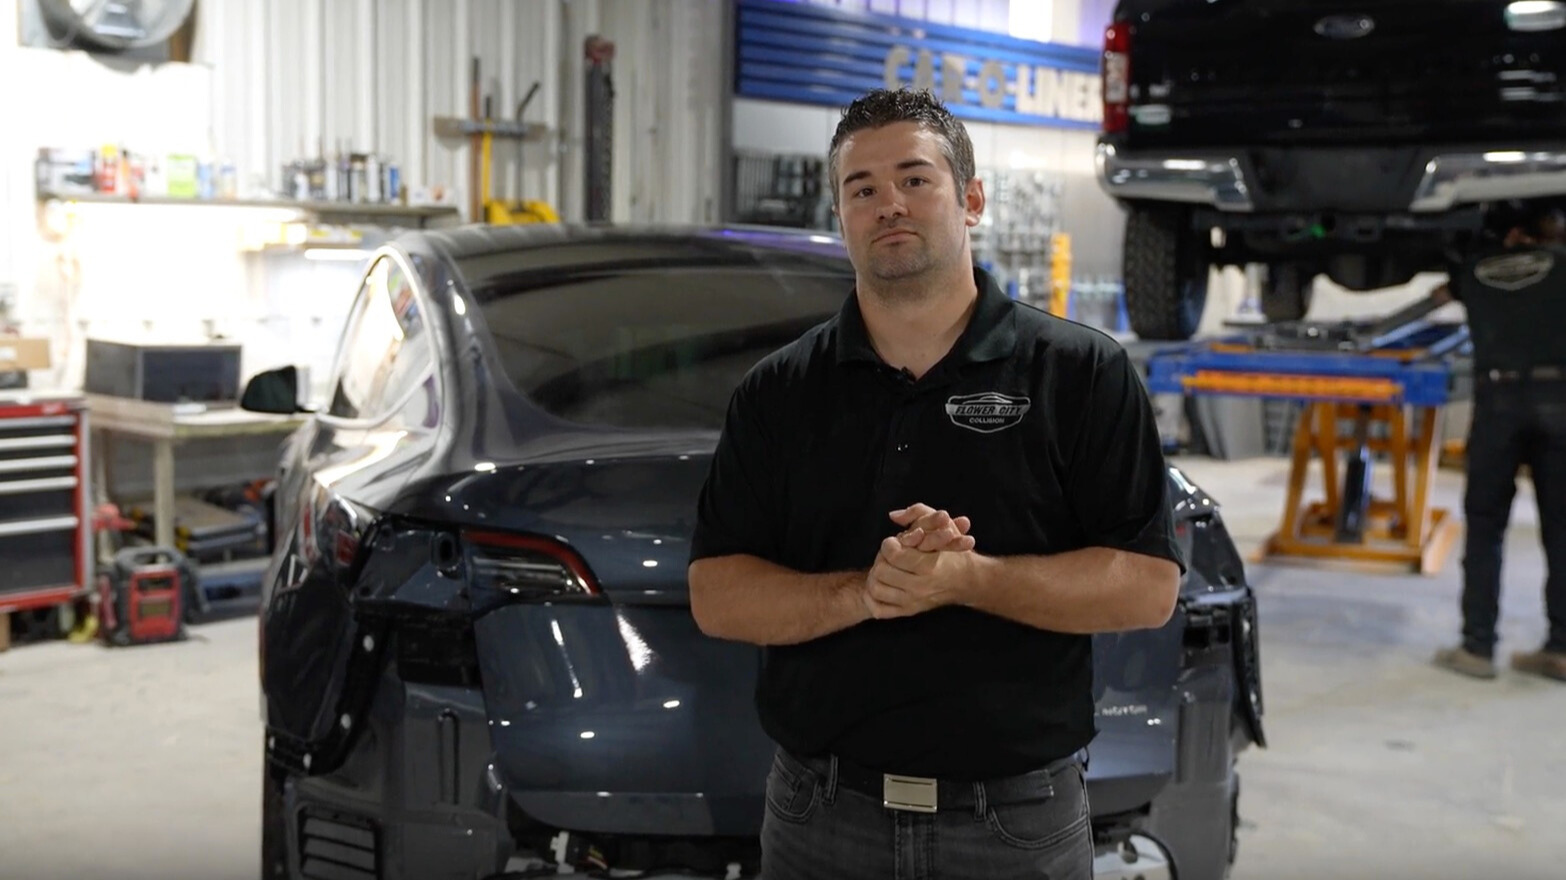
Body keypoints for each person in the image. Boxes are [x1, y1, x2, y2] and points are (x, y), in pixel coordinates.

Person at [687, 88, 1184, 880]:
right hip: (821, 819)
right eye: (863, 188)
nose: (890, 203)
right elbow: (717, 595)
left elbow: (1146, 588)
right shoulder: (778, 392)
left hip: (1017, 823)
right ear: (841, 216)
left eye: (916, 179)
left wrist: (967, 579)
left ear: (972, 198)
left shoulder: (1081, 375)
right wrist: (870, 592)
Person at [1434, 201, 1566, 682]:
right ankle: (1561, 648)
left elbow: (1438, 293)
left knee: (1486, 525)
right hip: (1561, 399)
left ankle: (1478, 648)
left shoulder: (1475, 271)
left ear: (1511, 235)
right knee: (1562, 529)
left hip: (1500, 403)